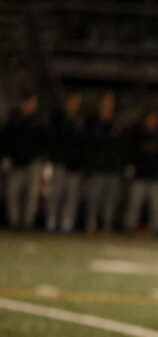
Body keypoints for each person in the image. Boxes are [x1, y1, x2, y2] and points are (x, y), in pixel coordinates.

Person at [2, 90, 47, 230]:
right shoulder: (14, 117)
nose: (32, 105)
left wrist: (41, 158)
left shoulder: (39, 119)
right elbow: (6, 138)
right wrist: (6, 156)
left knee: (31, 194)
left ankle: (28, 222)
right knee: (13, 194)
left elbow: (43, 141)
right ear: (24, 102)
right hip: (16, 162)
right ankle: (14, 221)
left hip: (33, 162)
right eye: (30, 101)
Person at [83, 91, 124, 234]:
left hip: (112, 168)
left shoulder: (117, 122)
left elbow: (122, 146)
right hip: (97, 167)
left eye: (110, 102)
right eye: (105, 101)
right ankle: (91, 223)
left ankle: (107, 225)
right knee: (94, 198)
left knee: (110, 200)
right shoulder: (92, 122)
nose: (108, 104)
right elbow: (87, 144)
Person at [45, 92, 87, 234]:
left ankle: (67, 224)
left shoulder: (80, 120)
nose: (75, 105)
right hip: (61, 163)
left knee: (71, 197)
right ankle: (51, 222)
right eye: (73, 101)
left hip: (75, 166)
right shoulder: (58, 118)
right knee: (56, 194)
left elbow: (83, 144)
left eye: (77, 102)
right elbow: (53, 141)